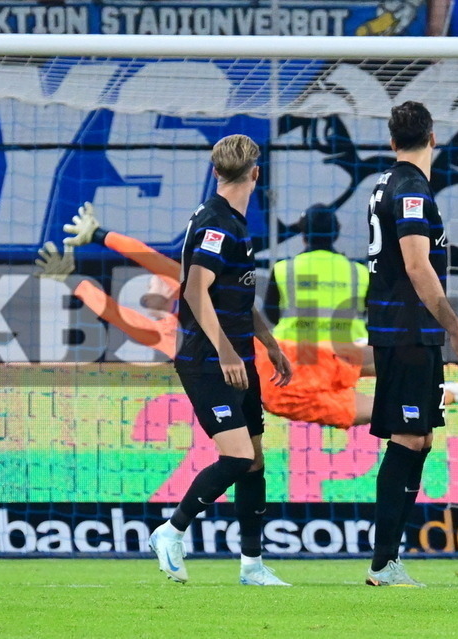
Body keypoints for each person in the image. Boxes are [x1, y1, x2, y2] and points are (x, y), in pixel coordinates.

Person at [50, 204, 458, 428]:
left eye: (160, 285)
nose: (159, 285)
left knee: (390, 394)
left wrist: (90, 258)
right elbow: (124, 311)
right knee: (390, 401)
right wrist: (79, 274)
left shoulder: (197, 296)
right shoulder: (173, 329)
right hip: (299, 366)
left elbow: (145, 281)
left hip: (284, 369)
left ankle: (456, 377)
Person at [125, 134, 293, 586]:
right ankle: (171, 531)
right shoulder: (218, 224)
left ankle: (252, 566)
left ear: (215, 170)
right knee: (236, 456)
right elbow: (196, 290)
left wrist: (269, 342)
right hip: (208, 359)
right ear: (255, 174)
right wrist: (224, 350)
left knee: (254, 459)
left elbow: (235, 295)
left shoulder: (234, 222)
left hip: (237, 356)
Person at [365, 101, 458, 587]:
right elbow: (418, 266)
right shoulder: (412, 190)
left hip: (403, 330)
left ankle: (389, 559)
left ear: (393, 141)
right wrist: (456, 329)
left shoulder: (383, 185)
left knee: (422, 439)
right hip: (408, 332)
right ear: (432, 138)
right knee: (409, 437)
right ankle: (382, 564)